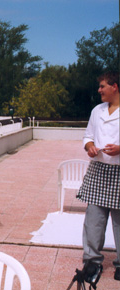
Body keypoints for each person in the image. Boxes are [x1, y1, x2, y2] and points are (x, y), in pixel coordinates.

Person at [76, 71, 120, 281]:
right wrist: (90, 146)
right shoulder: (97, 110)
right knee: (94, 220)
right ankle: (92, 261)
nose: (99, 90)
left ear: (115, 87)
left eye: (103, 86)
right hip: (99, 170)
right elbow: (88, 135)